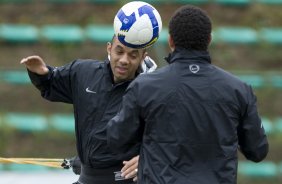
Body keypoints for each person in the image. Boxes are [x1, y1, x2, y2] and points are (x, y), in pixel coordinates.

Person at [107, 5, 269, 184]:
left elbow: (116, 140)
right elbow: (257, 150)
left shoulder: (143, 87)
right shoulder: (238, 90)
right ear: (209, 40)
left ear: (170, 41)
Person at [20, 34, 156, 184]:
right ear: (109, 48)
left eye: (133, 55)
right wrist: (41, 72)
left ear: (143, 57)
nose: (124, 60)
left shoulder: (152, 91)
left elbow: (174, 139)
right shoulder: (83, 72)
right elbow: (52, 82)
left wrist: (147, 158)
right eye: (119, 51)